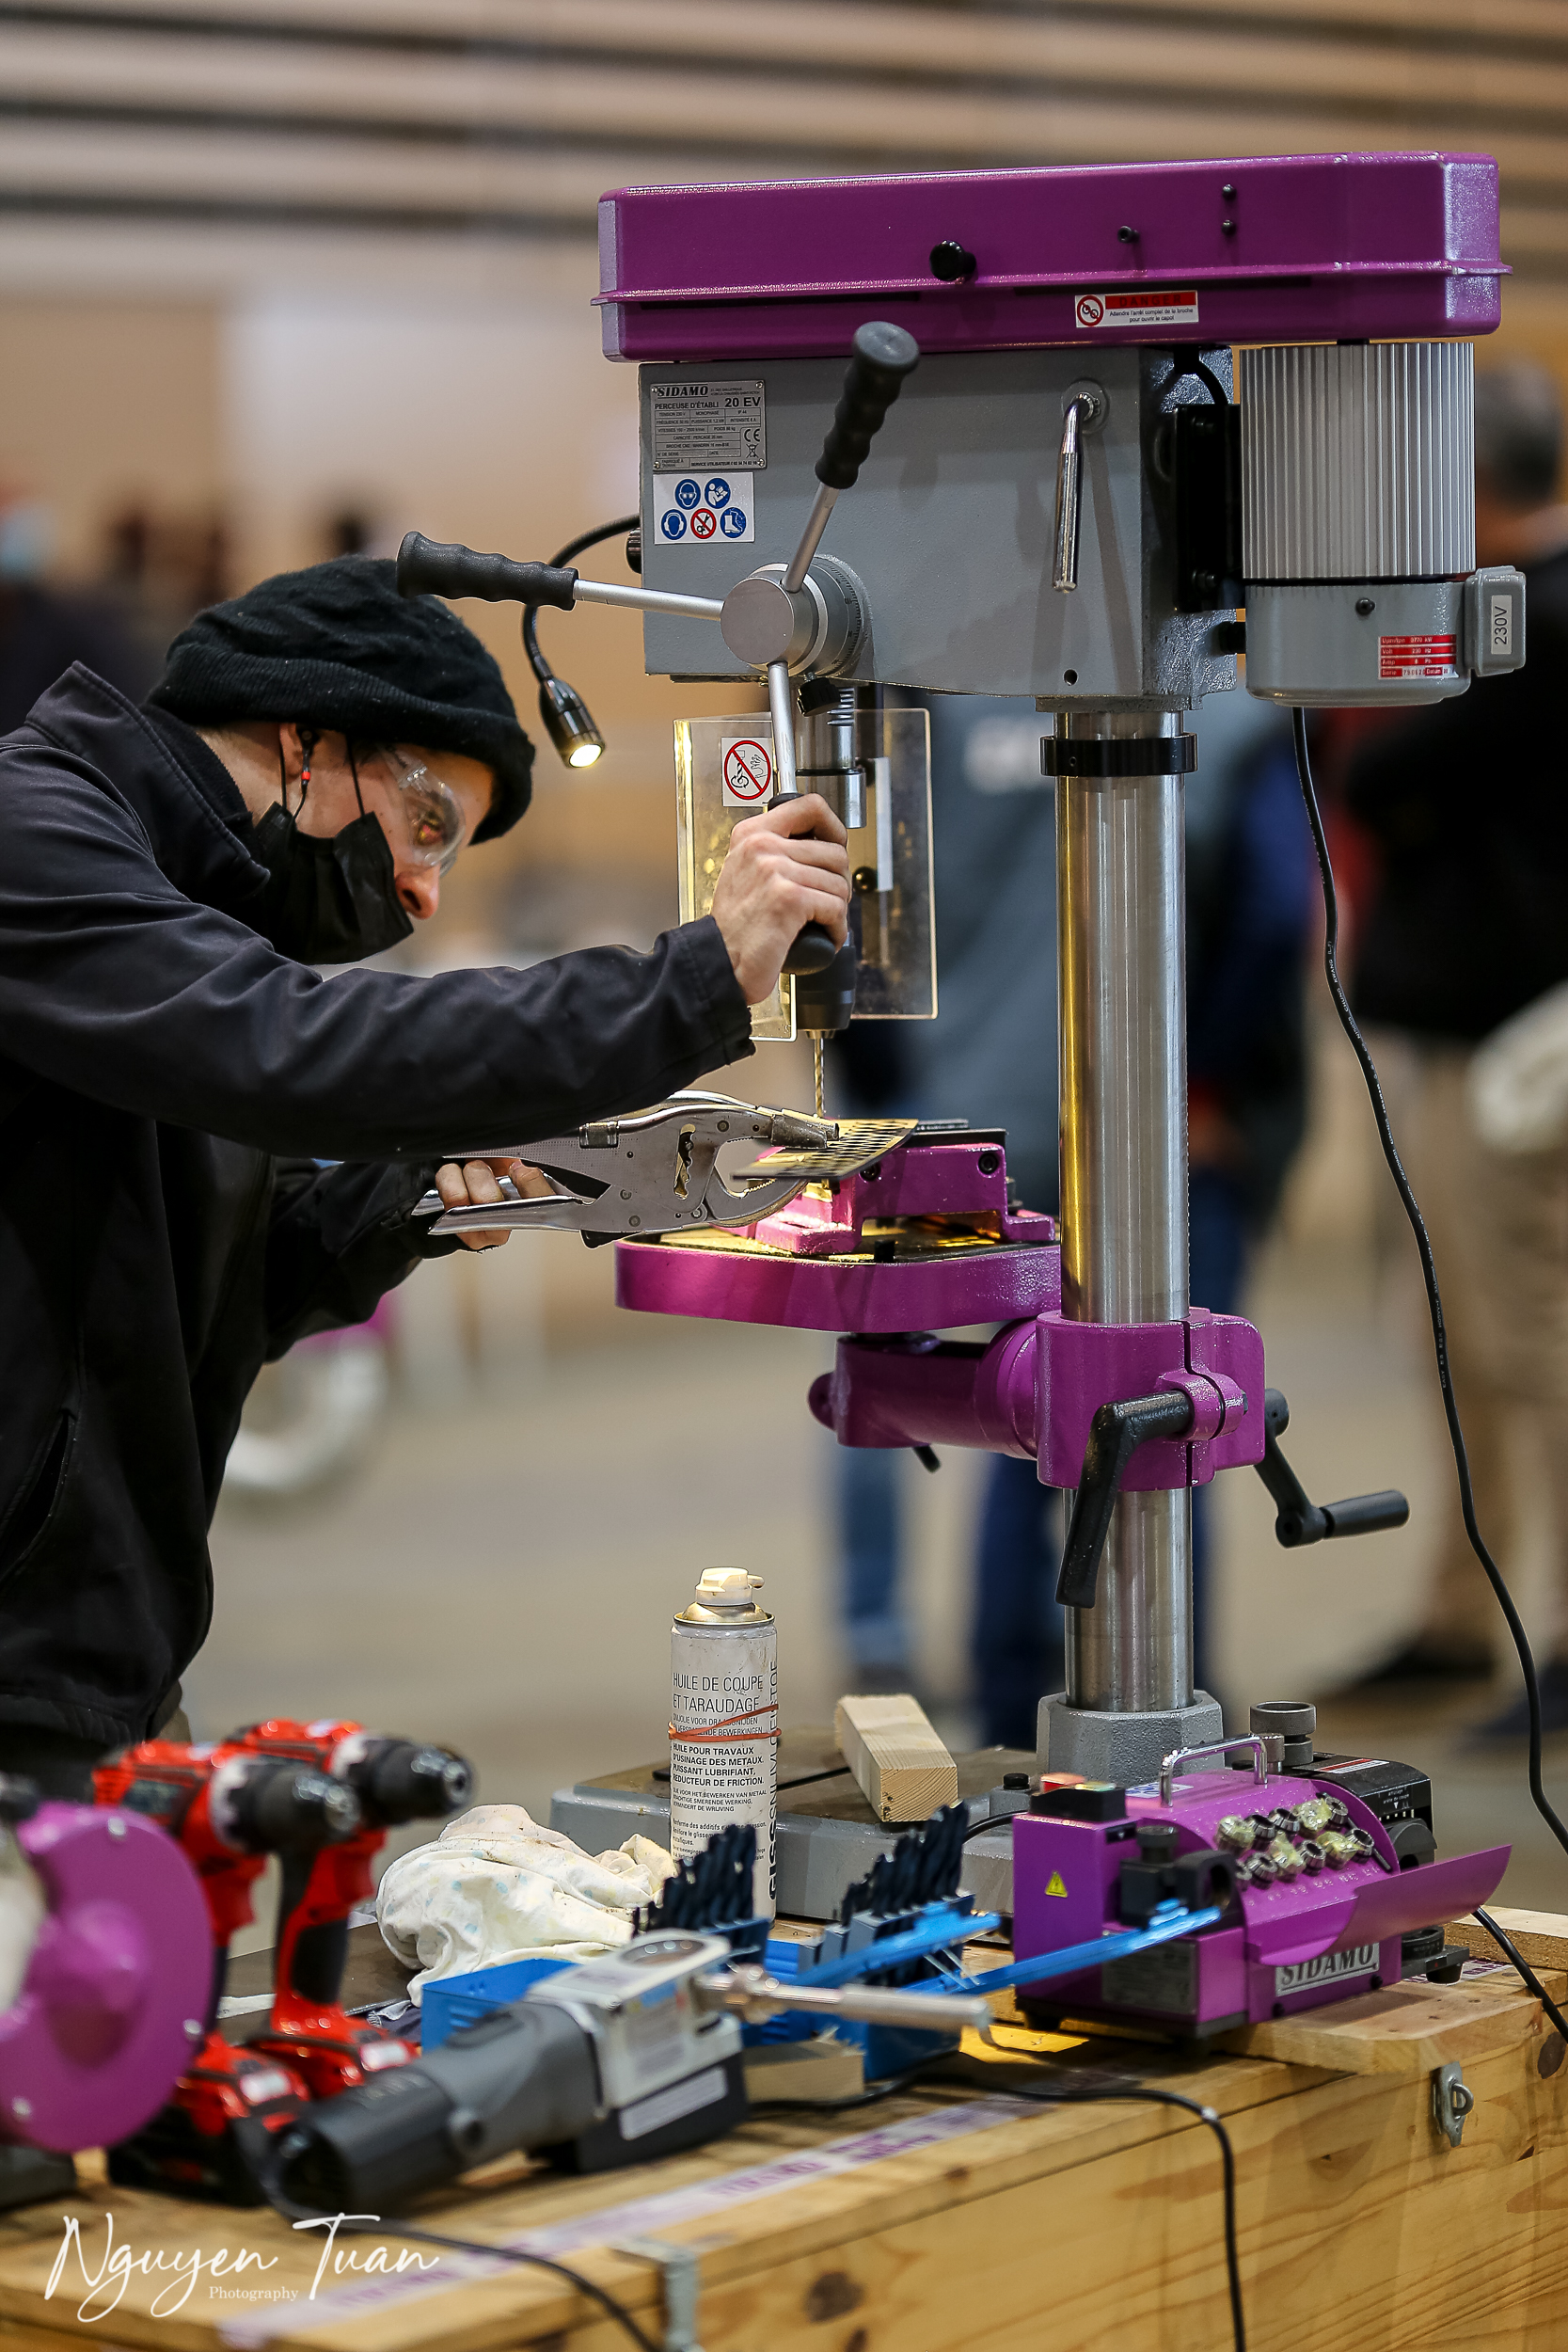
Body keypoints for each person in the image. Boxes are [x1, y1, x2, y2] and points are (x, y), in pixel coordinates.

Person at [0, 555, 849, 1792]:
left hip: (95, 1649)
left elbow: (208, 1280)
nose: (421, 887)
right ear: (308, 740)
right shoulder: (36, 839)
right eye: (429, 825)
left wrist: (412, 1201)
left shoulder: (191, 922)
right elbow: (287, 1047)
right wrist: (694, 982)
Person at [1343, 361, 1568, 1738]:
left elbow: (1382, 776)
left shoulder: (1539, 620)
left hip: (1519, 1057)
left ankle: (1555, 1635)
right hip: (1460, 1041)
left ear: (1471, 484)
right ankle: (1457, 1612)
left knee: (1537, 1340)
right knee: (1460, 1344)